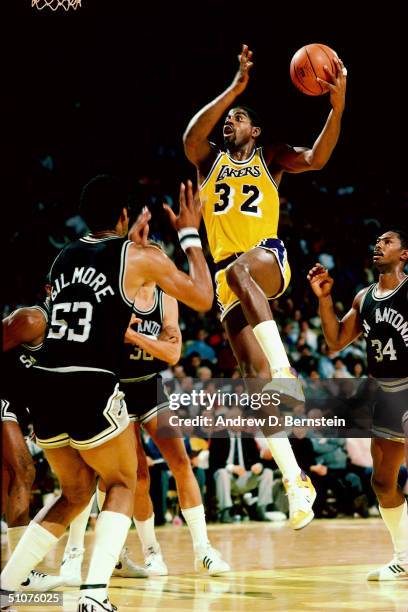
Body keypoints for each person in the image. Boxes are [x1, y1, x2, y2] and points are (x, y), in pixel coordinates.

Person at [0, 175, 213, 612]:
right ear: (124, 216)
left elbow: (108, 284)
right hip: (89, 381)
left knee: (74, 493)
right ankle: (94, 596)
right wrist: (189, 234)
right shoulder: (138, 256)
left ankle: (5, 586)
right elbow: (203, 298)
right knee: (120, 481)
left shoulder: (63, 257)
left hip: (46, 387)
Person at [183, 44, 347, 529]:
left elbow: (317, 158)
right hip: (227, 279)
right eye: (227, 118)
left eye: (238, 117)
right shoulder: (208, 161)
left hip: (265, 261)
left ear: (255, 131)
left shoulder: (271, 157)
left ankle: (285, 367)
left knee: (243, 274)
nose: (229, 123)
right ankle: (297, 482)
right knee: (256, 387)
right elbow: (191, 138)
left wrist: (337, 108)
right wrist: (233, 88)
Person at [60, 267, 229, 585]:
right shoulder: (118, 295)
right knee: (135, 474)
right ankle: (151, 551)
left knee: (181, 462)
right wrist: (154, 343)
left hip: (150, 387)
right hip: (117, 387)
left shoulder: (166, 299)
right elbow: (112, 344)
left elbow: (173, 353)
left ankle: (203, 549)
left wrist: (133, 336)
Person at [308, 228, 408, 580]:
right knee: (382, 483)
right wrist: (324, 299)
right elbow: (334, 342)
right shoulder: (363, 298)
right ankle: (403, 557)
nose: (379, 245)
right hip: (383, 392)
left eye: (389, 241)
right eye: (377, 241)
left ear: (405, 254)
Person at [2, 304, 64, 592]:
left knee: (13, 478)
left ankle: (17, 568)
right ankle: (21, 572)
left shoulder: (71, 332)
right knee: (23, 470)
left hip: (17, 404)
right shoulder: (33, 319)